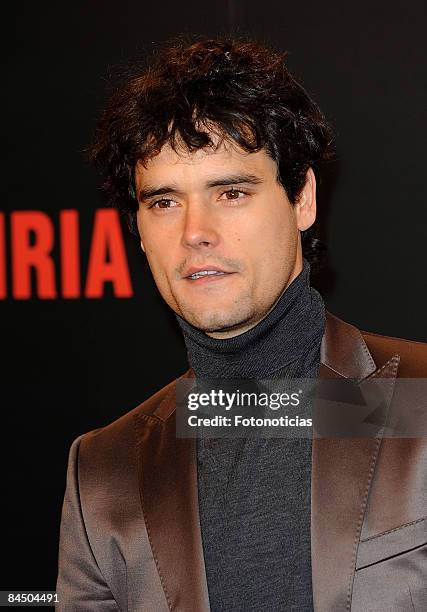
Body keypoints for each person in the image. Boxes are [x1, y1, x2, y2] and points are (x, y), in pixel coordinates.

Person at [56, 36, 427, 611]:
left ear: (302, 198)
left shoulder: (419, 400)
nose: (194, 232)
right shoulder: (106, 471)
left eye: (230, 192)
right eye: (163, 202)